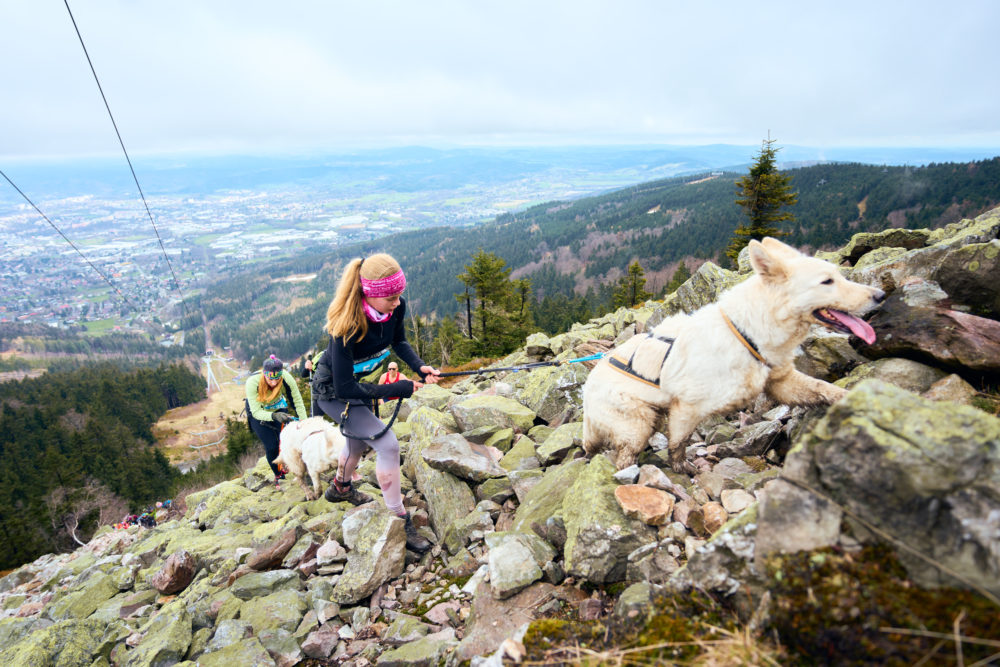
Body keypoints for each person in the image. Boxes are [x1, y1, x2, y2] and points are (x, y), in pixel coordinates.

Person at [311, 253, 440, 553]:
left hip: (356, 385)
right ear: (371, 294)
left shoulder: (396, 308)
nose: (397, 303)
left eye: (399, 295)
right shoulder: (345, 327)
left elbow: (399, 342)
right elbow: (344, 387)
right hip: (332, 391)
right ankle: (399, 518)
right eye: (391, 298)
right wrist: (397, 388)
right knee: (388, 444)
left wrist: (420, 367)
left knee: (357, 444)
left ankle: (340, 488)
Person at [245, 354, 307, 487]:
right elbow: (256, 412)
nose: (274, 383)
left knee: (285, 441)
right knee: (272, 446)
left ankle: (292, 465)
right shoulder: (252, 382)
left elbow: (297, 400)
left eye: (277, 379)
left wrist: (304, 422)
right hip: (258, 412)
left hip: (278, 406)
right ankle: (279, 475)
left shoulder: (285, 377)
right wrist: (273, 416)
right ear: (264, 374)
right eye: (270, 379)